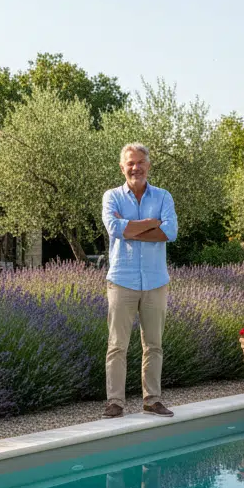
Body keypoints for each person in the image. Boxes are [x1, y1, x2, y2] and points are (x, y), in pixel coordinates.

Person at [100, 143, 178, 419]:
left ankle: (152, 400)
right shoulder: (111, 197)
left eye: (140, 162)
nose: (136, 167)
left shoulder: (164, 196)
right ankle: (115, 402)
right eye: (130, 163)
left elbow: (170, 233)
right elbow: (114, 228)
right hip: (122, 280)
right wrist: (152, 223)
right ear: (122, 167)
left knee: (154, 344)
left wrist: (131, 228)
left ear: (148, 165)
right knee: (117, 345)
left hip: (156, 281)